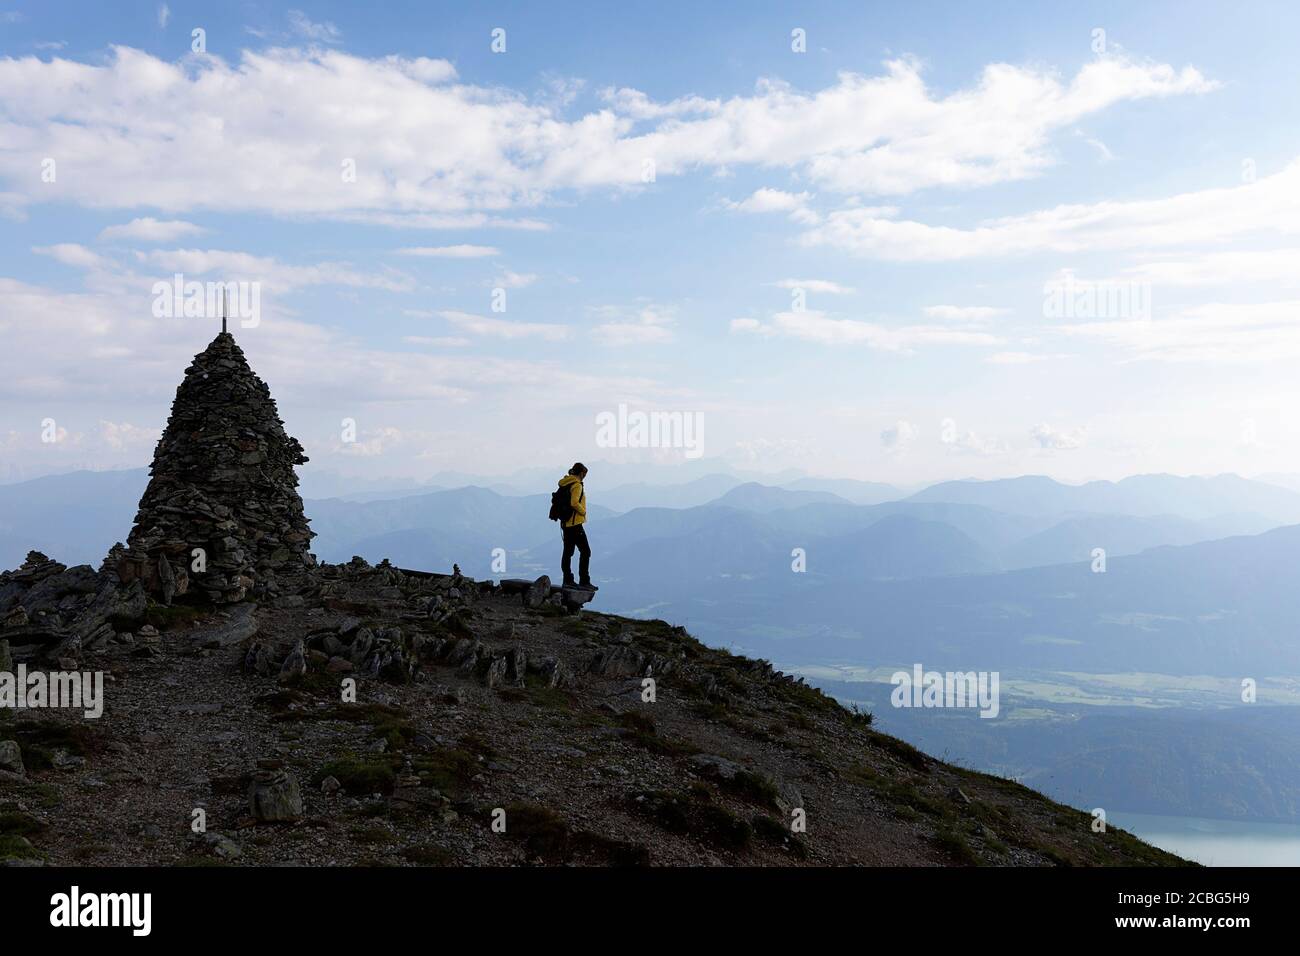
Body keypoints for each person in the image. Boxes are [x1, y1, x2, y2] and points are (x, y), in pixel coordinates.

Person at [557, 462, 597, 590]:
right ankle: (584, 581)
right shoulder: (577, 485)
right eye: (585, 474)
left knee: (567, 553)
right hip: (575, 524)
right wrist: (583, 511)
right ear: (581, 473)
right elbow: (574, 503)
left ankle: (567, 579)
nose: (585, 476)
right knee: (586, 551)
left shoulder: (565, 482)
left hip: (566, 523)